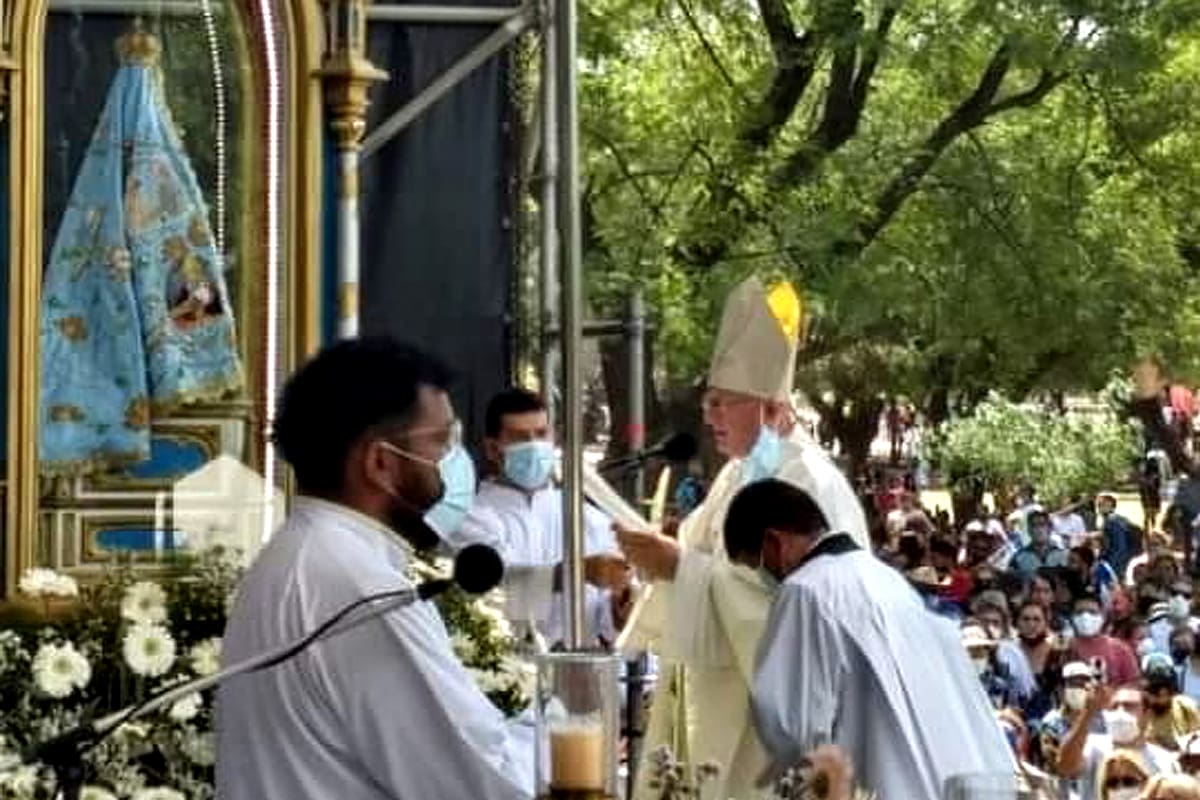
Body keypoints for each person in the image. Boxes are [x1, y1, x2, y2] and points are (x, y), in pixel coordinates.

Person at [216, 338, 533, 800]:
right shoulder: (362, 591)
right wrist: (571, 720)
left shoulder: (297, 554)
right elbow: (481, 781)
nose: (455, 464)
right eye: (442, 442)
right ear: (381, 462)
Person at [615, 276, 871, 800]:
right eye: (708, 404)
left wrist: (680, 567)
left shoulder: (812, 485)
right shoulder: (739, 474)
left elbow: (810, 620)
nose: (709, 418)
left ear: (771, 407)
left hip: (766, 729)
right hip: (708, 700)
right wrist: (659, 562)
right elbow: (705, 560)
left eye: (722, 404)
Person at [725, 479, 1013, 799]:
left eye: (755, 564)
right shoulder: (888, 579)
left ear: (774, 541)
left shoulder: (804, 591)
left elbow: (791, 727)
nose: (764, 579)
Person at [454, 388, 628, 648]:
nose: (534, 446)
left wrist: (619, 609)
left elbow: (607, 619)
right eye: (520, 438)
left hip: (583, 669)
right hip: (508, 668)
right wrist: (575, 572)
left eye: (541, 434)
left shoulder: (584, 515)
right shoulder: (470, 518)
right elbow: (493, 591)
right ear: (492, 449)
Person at [1057, 684, 1178, 799]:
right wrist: (1088, 712)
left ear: (1147, 715)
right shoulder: (1091, 745)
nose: (1120, 711)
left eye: (1129, 706)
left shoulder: (1164, 760)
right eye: (1114, 707)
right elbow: (1065, 767)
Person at [1039, 662, 1106, 777]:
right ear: (1061, 689)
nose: (1078, 689)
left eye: (1082, 684)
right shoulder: (1051, 722)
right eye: (1072, 684)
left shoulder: (1102, 720)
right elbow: (1055, 762)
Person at [1070, 594, 1142, 687]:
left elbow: (1134, 684)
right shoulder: (1064, 649)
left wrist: (1112, 695)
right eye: (1079, 612)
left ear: (1102, 615)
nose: (1085, 617)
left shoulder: (1120, 649)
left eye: (1092, 612)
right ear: (1072, 616)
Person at [1143, 656, 1200, 752]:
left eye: (1166, 693)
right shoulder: (1140, 713)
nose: (1162, 699)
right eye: (1156, 693)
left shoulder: (1185, 706)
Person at [1011, 511, 1070, 580]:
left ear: (1049, 528)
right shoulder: (1019, 558)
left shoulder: (1062, 555)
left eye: (1042, 525)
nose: (1039, 530)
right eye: (1034, 526)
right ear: (1029, 530)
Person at [1099, 492, 1145, 578]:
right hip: (1122, 560)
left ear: (1112, 506)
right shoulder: (1119, 519)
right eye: (1099, 505)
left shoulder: (1112, 521)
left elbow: (1120, 546)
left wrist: (1111, 565)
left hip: (1116, 562)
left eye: (1104, 504)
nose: (1100, 508)